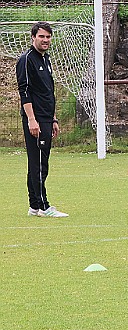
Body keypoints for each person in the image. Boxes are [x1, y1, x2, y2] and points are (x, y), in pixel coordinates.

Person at [16, 22, 68, 218]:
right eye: (41, 37)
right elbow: (25, 91)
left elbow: (48, 91)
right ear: (33, 38)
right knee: (38, 164)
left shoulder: (46, 59)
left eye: (48, 37)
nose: (45, 40)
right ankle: (43, 206)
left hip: (46, 119)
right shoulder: (26, 60)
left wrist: (53, 119)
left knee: (40, 162)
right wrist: (31, 119)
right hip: (35, 120)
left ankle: (34, 206)